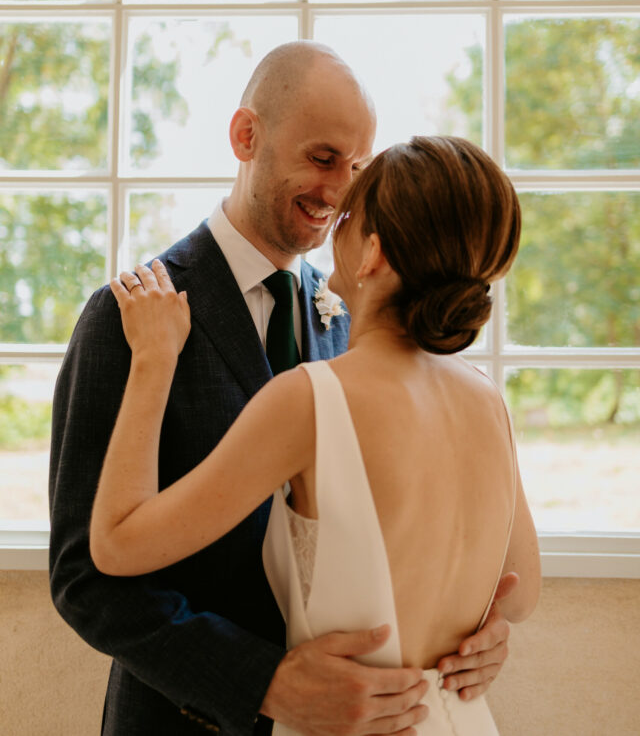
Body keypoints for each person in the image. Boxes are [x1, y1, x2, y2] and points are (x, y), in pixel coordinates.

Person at [50, 42, 517, 736]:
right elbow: (86, 575)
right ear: (246, 136)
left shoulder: (350, 318)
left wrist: (481, 631)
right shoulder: (132, 316)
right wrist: (261, 683)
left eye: (358, 167)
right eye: (323, 157)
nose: (341, 191)